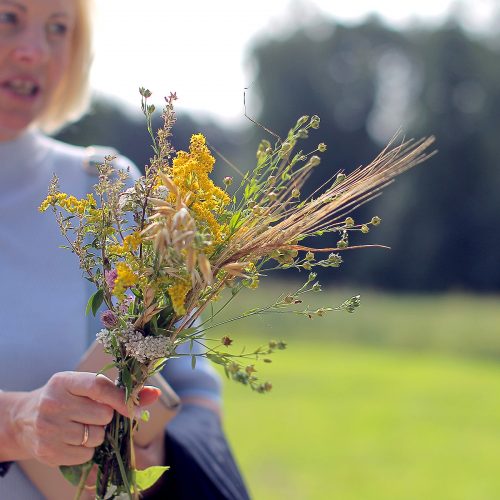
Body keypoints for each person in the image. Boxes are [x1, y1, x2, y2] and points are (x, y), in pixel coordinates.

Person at [0, 0, 249, 498]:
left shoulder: (110, 189)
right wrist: (18, 423)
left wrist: (155, 456)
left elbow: (195, 386)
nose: (35, 51)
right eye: (9, 17)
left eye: (58, 28)